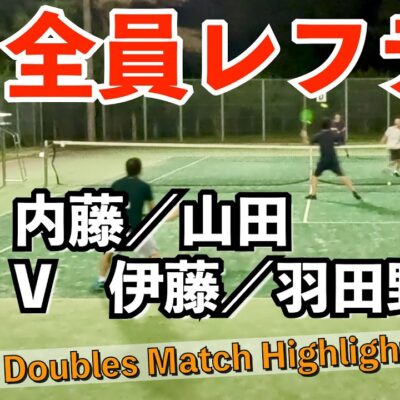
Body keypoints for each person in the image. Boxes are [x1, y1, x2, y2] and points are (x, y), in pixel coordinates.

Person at [93, 157, 178, 290]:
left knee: (107, 252)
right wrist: (171, 215)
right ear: (140, 170)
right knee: (154, 254)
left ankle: (101, 280)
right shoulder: (144, 187)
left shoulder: (115, 185)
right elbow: (153, 211)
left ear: (126, 169)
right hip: (137, 229)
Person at [301, 118, 362, 200]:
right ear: (329, 126)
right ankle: (353, 191)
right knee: (342, 175)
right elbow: (341, 140)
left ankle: (313, 194)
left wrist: (304, 136)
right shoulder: (333, 134)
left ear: (321, 126)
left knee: (315, 176)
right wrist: (341, 134)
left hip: (323, 160)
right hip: (333, 160)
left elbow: (308, 143)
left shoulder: (318, 135)